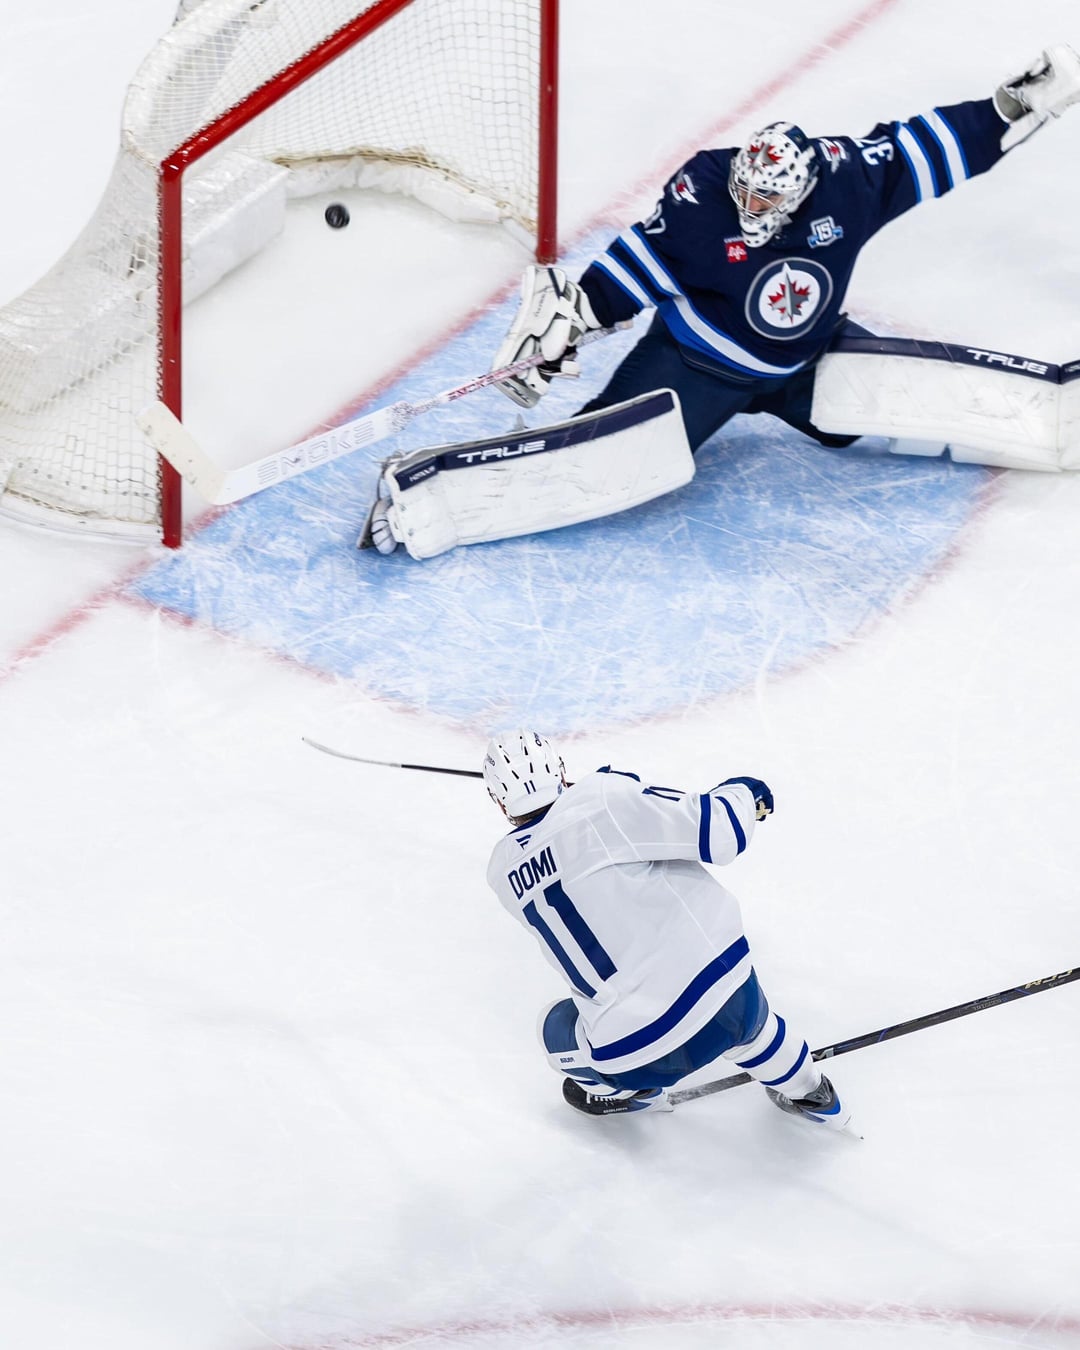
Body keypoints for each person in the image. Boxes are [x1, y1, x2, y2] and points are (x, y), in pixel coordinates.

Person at [491, 46, 1080, 454]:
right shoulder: (702, 195)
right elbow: (641, 260)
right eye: (744, 191)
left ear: (801, 189)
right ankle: (519, 472)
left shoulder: (847, 181)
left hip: (806, 362)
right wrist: (576, 317)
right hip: (699, 366)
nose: (750, 206)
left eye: (766, 198)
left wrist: (1011, 106)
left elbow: (922, 150)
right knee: (613, 453)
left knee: (851, 427)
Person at [483, 728, 851, 1129]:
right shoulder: (600, 798)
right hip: (731, 999)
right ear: (559, 770)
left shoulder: (501, 872)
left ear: (499, 800)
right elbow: (722, 831)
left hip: (630, 1055)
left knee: (553, 1028)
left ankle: (630, 1094)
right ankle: (812, 1092)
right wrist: (744, 793)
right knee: (751, 1027)